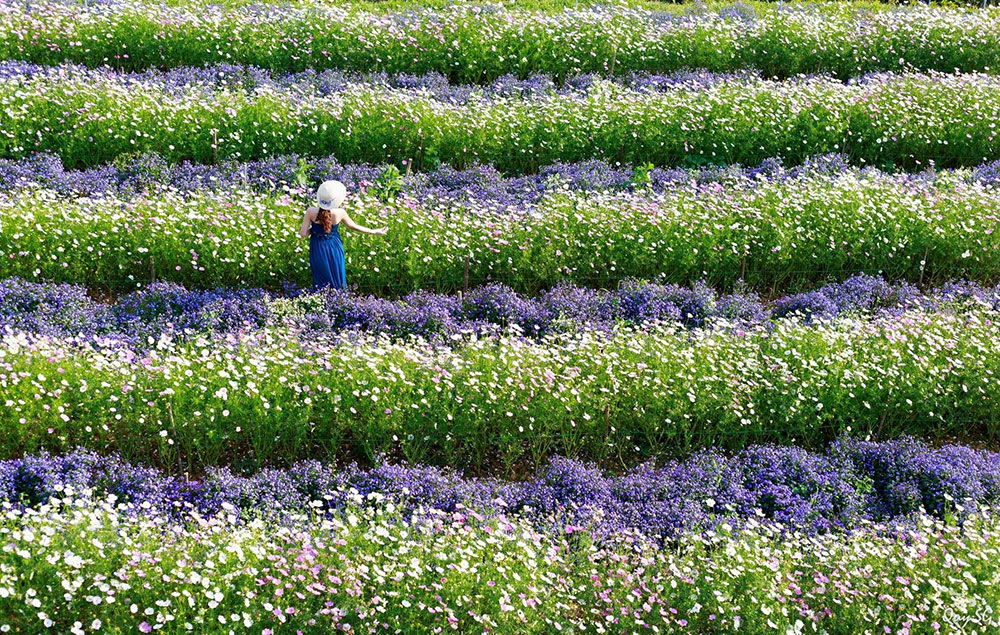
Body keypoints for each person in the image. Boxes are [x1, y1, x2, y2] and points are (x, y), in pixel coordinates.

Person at [299, 180, 388, 290]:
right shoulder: (339, 213)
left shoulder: (310, 211)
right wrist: (374, 231)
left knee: (321, 277)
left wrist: (315, 230)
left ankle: (321, 300)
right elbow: (354, 226)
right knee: (337, 274)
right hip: (334, 246)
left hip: (318, 247)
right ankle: (340, 300)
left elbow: (303, 233)